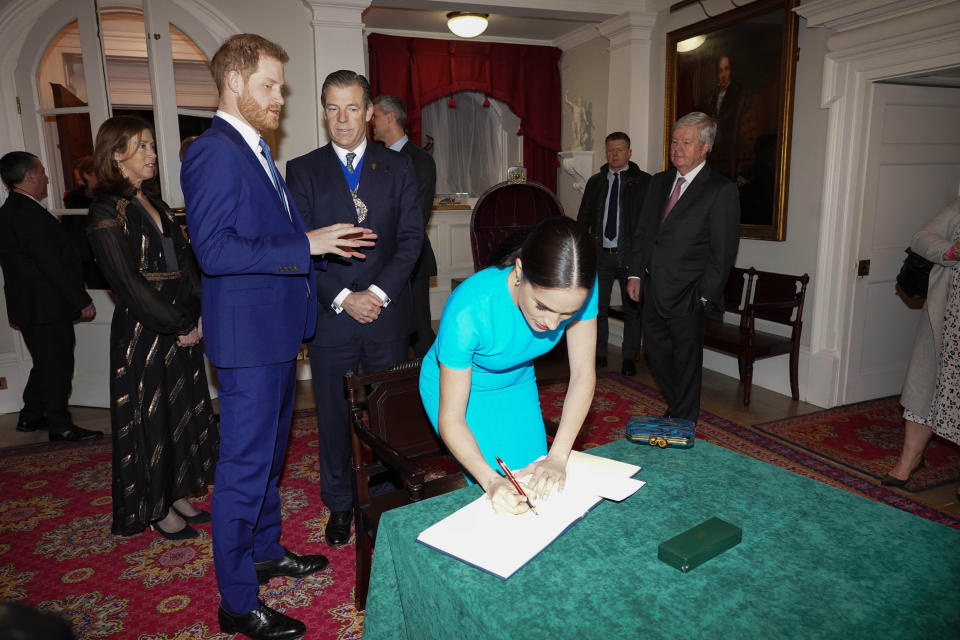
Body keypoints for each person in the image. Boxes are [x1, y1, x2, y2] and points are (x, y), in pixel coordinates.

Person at [181, 34, 374, 640]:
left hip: (275, 333)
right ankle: (238, 602)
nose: (279, 99)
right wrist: (306, 243)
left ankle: (265, 551)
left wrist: (313, 235)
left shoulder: (254, 148)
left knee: (267, 462)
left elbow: (261, 232)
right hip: (248, 341)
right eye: (269, 86)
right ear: (234, 83)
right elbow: (213, 250)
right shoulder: (214, 151)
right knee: (242, 471)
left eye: (281, 88)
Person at [286, 71, 422, 547]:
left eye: (351, 108)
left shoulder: (400, 166)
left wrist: (377, 296)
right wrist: (345, 298)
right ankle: (341, 503)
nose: (342, 119)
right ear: (323, 112)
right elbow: (300, 245)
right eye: (332, 108)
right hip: (332, 316)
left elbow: (410, 241)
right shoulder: (302, 169)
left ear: (369, 112)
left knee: (387, 413)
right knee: (334, 416)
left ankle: (383, 493)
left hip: (386, 315)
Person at [86, 115, 218, 540]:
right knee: (151, 418)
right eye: (141, 146)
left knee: (180, 412)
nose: (153, 154)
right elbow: (128, 283)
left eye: (151, 145)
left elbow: (187, 265)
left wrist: (197, 314)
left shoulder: (155, 202)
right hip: (144, 332)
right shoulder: (106, 209)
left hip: (180, 325)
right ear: (116, 155)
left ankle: (176, 491)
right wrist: (180, 322)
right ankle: (155, 507)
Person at [419, 216, 599, 514]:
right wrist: (491, 481)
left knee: (539, 487)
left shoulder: (580, 286)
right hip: (460, 389)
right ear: (519, 272)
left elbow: (582, 375)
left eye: (567, 314)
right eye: (542, 306)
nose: (552, 324)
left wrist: (558, 455)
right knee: (495, 496)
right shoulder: (468, 312)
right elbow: (452, 418)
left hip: (516, 377)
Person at [626, 112, 740, 423]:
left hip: (690, 295)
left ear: (705, 147)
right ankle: (678, 408)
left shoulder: (720, 190)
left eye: (685, 142)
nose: (676, 148)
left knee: (687, 363)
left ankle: (683, 422)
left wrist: (706, 297)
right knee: (657, 356)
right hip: (651, 289)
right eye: (674, 141)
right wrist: (635, 273)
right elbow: (644, 232)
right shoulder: (659, 182)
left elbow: (723, 251)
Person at [0, 151, 101, 442]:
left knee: (45, 361)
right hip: (46, 305)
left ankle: (31, 415)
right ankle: (60, 424)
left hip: (28, 304)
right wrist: (80, 300)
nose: (47, 176)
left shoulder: (9, 211)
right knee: (57, 364)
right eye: (43, 171)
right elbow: (50, 265)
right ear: (29, 176)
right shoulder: (29, 214)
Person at [884, 196, 960, 498]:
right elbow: (920, 238)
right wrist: (951, 250)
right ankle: (909, 460)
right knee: (926, 386)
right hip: (949, 315)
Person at [576, 131, 650, 375]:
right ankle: (599, 354)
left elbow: (649, 224)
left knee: (632, 309)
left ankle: (629, 357)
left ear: (629, 152)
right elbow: (583, 219)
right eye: (610, 150)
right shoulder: (595, 182)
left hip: (630, 256)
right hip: (601, 255)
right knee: (598, 307)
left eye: (619, 150)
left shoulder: (644, 182)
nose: (614, 154)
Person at [371, 94, 438, 358]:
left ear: (389, 117)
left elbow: (416, 217)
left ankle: (440, 388)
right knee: (388, 334)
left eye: (375, 116)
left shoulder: (420, 160)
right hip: (377, 261)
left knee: (419, 332)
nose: (371, 122)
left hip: (412, 260)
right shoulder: (373, 159)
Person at [702, 55, 744, 181]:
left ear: (732, 70)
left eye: (726, 69)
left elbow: (732, 114)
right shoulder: (716, 92)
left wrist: (719, 122)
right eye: (720, 70)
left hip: (728, 138)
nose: (723, 74)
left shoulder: (736, 90)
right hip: (715, 139)